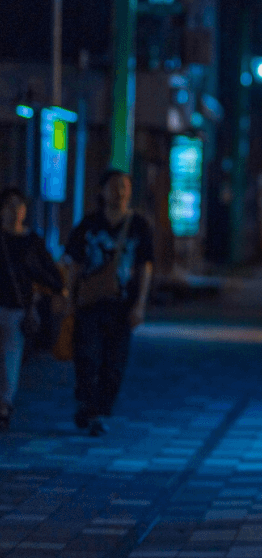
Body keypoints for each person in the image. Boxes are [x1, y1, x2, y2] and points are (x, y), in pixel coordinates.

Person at [61, 169, 153, 436]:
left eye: (124, 186)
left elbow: (145, 267)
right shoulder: (89, 225)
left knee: (114, 363)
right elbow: (74, 263)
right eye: (113, 186)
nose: (119, 192)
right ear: (102, 191)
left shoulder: (138, 226)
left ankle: (99, 410)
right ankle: (89, 407)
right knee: (87, 356)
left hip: (122, 305)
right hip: (90, 303)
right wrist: (69, 298)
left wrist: (140, 305)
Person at [0, 188, 63, 431]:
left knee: (10, 358)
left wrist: (53, 286)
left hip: (17, 307)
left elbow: (50, 273)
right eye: (9, 205)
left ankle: (4, 404)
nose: (15, 210)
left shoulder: (31, 241)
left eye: (19, 205)